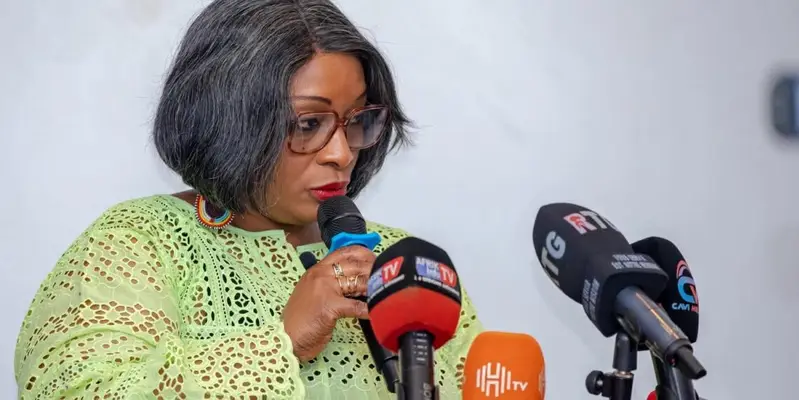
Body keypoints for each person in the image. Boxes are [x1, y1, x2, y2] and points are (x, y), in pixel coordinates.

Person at [13, 0, 483, 399]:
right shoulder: (139, 244)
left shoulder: (409, 264)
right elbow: (76, 389)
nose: (341, 154)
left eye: (358, 120)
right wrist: (283, 343)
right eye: (308, 124)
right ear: (228, 121)